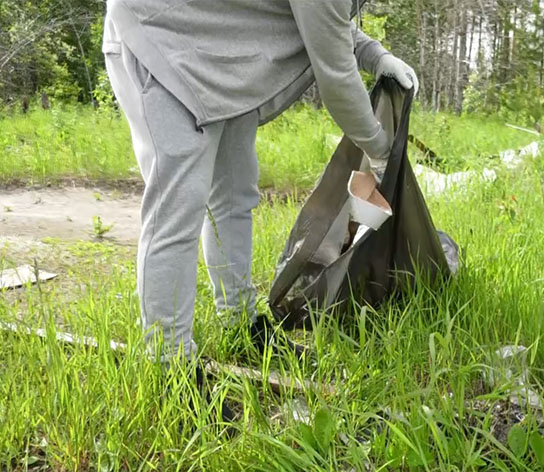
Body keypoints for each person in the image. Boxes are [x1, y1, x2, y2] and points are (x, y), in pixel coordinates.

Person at [102, 0, 418, 421]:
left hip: (220, 56)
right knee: (177, 210)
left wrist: (375, 55)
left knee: (235, 196)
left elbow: (324, 22)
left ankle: (241, 321)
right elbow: (337, 78)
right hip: (162, 39)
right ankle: (170, 368)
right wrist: (381, 151)